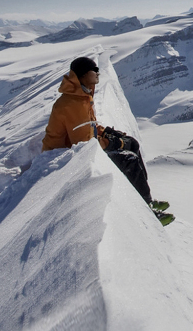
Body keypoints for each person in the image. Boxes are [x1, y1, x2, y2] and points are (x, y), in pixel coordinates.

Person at [42, 56, 174, 224]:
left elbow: (91, 126)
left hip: (77, 149)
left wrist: (111, 134)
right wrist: (113, 143)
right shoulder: (73, 103)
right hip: (64, 158)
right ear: (82, 75)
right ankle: (147, 212)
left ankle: (144, 197)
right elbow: (84, 143)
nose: (98, 73)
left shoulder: (82, 95)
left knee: (132, 143)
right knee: (129, 160)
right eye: (94, 71)